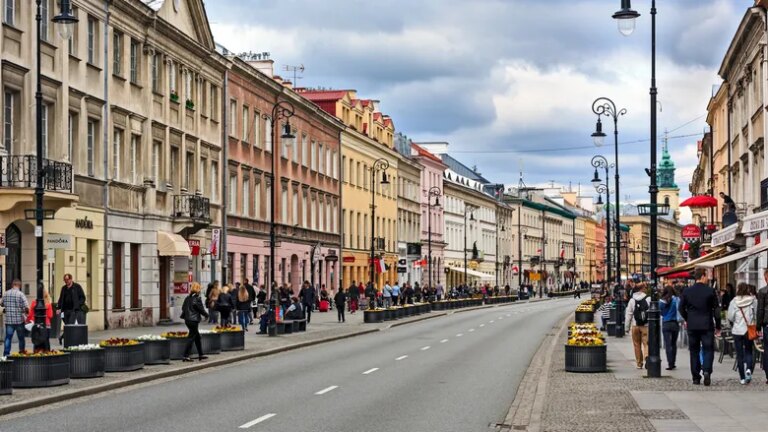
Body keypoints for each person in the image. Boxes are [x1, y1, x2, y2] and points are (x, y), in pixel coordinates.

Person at [679, 269, 721, 386]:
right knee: (708, 349)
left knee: (694, 351)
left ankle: (696, 377)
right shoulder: (710, 291)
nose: (707, 278)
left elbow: (681, 308)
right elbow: (717, 310)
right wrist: (718, 325)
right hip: (707, 325)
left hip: (692, 326)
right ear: (702, 276)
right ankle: (707, 370)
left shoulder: (687, 291)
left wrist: (688, 318)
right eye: (706, 276)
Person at [727, 283, 757, 385]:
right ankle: (748, 368)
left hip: (737, 330)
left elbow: (730, 317)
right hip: (748, 330)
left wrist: (736, 320)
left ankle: (742, 378)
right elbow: (756, 313)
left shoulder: (734, 301)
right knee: (749, 351)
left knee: (739, 354)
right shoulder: (753, 300)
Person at [625, 284, 651, 369]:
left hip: (635, 325)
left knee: (637, 345)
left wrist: (627, 327)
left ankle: (639, 363)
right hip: (646, 325)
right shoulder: (648, 298)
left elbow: (628, 314)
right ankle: (647, 357)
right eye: (645, 287)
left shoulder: (632, 300)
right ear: (642, 288)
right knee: (646, 343)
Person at [180, 282, 209, 362]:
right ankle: (185, 356)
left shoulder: (187, 298)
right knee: (191, 337)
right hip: (193, 320)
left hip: (187, 320)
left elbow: (183, 308)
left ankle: (201, 354)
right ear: (198, 289)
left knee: (197, 337)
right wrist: (207, 315)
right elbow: (201, 309)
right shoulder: (197, 298)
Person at [2, 279, 29, 356]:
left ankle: (6, 354)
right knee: (21, 338)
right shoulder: (20, 294)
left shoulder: (6, 293)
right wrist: (26, 314)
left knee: (8, 338)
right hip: (19, 321)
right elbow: (26, 307)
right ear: (19, 285)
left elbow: (2, 304)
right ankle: (22, 353)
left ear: (12, 285)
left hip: (9, 321)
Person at [659, 285, 680, 370]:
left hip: (666, 324)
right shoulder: (676, 300)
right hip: (675, 324)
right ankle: (673, 362)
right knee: (673, 344)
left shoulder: (661, 301)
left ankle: (670, 363)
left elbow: (660, 313)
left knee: (668, 344)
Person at [756, 269, 768, 384]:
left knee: (767, 349)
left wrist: (758, 327)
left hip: (767, 325)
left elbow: (760, 310)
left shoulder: (763, 291)